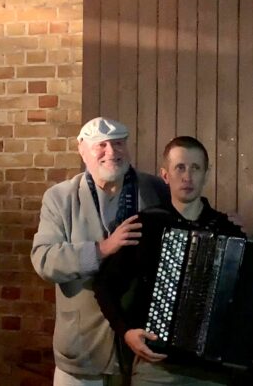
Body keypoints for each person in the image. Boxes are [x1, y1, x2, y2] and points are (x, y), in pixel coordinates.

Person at [93, 136, 253, 385]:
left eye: (196, 168)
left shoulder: (227, 229)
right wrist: (127, 331)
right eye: (180, 168)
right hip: (157, 369)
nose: (187, 176)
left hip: (213, 372)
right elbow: (104, 285)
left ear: (206, 174)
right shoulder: (146, 225)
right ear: (166, 175)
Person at [31, 117, 170, 386]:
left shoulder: (155, 189)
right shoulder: (59, 198)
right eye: (101, 145)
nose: (111, 152)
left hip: (141, 352)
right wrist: (101, 249)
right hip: (81, 350)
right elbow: (44, 259)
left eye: (118, 143)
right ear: (82, 150)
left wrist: (224, 221)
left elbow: (190, 215)